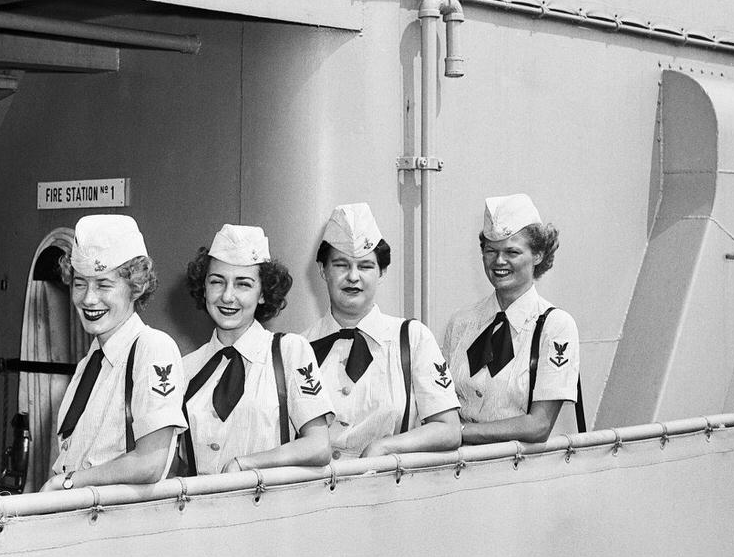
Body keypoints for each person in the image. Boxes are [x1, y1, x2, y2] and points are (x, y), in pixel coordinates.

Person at [301, 203, 461, 460]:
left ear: (382, 272)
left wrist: (386, 447)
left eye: (365, 266)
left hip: (389, 490)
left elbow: (449, 430)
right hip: (313, 494)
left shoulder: (412, 338)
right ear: (322, 270)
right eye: (341, 265)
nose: (353, 277)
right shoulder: (299, 347)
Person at [40, 215, 186, 491]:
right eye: (80, 284)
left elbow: (151, 463)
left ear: (135, 287)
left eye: (104, 285)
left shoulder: (152, 348)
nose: (89, 299)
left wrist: (69, 482)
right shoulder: (89, 364)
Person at [180, 224, 333, 475]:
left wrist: (247, 464)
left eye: (243, 284)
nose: (227, 296)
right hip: (202, 512)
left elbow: (318, 447)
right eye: (217, 282)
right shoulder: (186, 368)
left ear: (263, 293)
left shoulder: (289, 352)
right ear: (204, 288)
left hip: (270, 508)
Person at [442, 194, 584, 445]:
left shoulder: (555, 326)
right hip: (458, 470)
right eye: (490, 251)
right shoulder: (461, 323)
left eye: (512, 252)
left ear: (538, 254)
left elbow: (538, 425)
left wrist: (457, 433)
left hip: (517, 473)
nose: (499, 262)